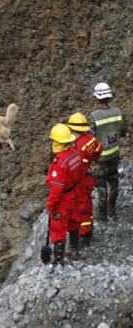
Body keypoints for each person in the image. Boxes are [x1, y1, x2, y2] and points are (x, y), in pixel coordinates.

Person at [45, 123, 83, 264]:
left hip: (63, 198)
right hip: (74, 193)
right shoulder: (75, 153)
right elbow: (80, 173)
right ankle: (74, 250)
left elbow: (56, 189)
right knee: (74, 221)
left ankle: (58, 260)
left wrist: (50, 205)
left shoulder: (59, 162)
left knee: (58, 227)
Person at [88, 82, 126, 221]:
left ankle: (102, 214)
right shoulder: (118, 113)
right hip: (114, 155)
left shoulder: (93, 117)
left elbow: (89, 140)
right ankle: (112, 211)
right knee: (113, 180)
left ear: (96, 98)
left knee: (101, 185)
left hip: (99, 159)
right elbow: (122, 132)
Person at [67, 113, 103, 247]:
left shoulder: (78, 147)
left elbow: (76, 169)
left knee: (82, 207)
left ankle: (85, 234)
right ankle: (87, 230)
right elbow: (99, 148)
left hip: (81, 181)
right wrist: (92, 160)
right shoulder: (91, 139)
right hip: (87, 177)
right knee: (87, 205)